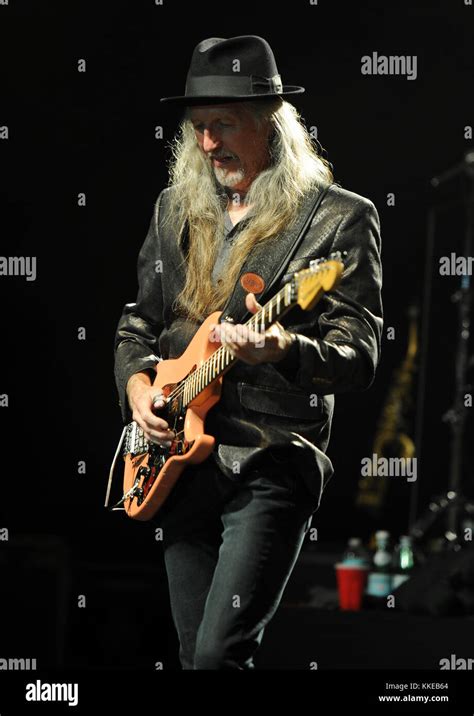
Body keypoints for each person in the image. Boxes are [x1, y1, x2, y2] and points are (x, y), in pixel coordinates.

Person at [113, 35, 383, 669]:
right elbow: (136, 326)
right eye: (199, 128)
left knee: (217, 656)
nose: (208, 145)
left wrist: (285, 347)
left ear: (272, 124)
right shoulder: (173, 210)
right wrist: (138, 391)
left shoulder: (338, 221)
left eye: (224, 125)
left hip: (270, 458)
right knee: (191, 658)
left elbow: (360, 353)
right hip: (177, 454)